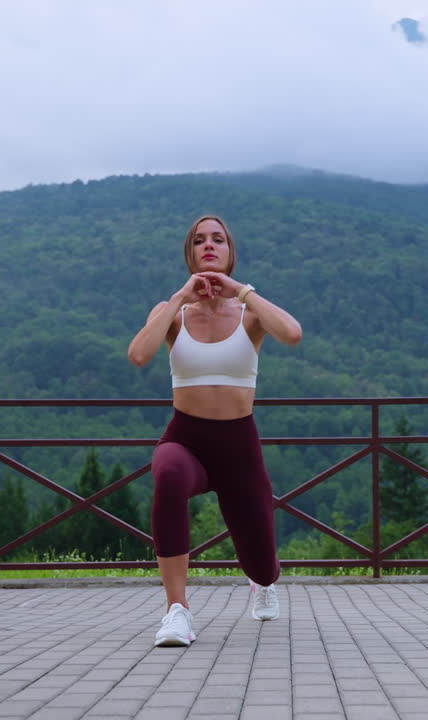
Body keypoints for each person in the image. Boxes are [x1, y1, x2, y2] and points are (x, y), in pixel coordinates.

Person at [127, 214, 303, 647]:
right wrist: (178, 297)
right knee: (167, 474)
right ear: (189, 253)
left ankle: (261, 582)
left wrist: (243, 291)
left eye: (218, 239)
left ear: (230, 252)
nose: (209, 245)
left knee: (262, 562)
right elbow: (138, 355)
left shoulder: (250, 313)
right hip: (186, 439)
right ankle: (176, 612)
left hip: (239, 445)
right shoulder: (172, 312)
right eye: (200, 240)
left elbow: (293, 334)